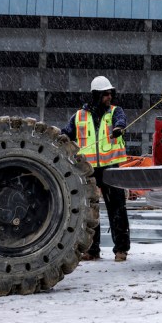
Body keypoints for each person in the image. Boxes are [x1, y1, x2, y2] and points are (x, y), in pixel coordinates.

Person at [63, 75, 131, 262]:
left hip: (111, 168)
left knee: (117, 209)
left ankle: (121, 249)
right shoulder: (78, 116)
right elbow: (65, 135)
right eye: (105, 94)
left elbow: (121, 121)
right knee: (89, 211)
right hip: (88, 170)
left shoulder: (115, 112)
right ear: (96, 95)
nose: (110, 97)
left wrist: (119, 128)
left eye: (110, 93)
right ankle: (92, 250)